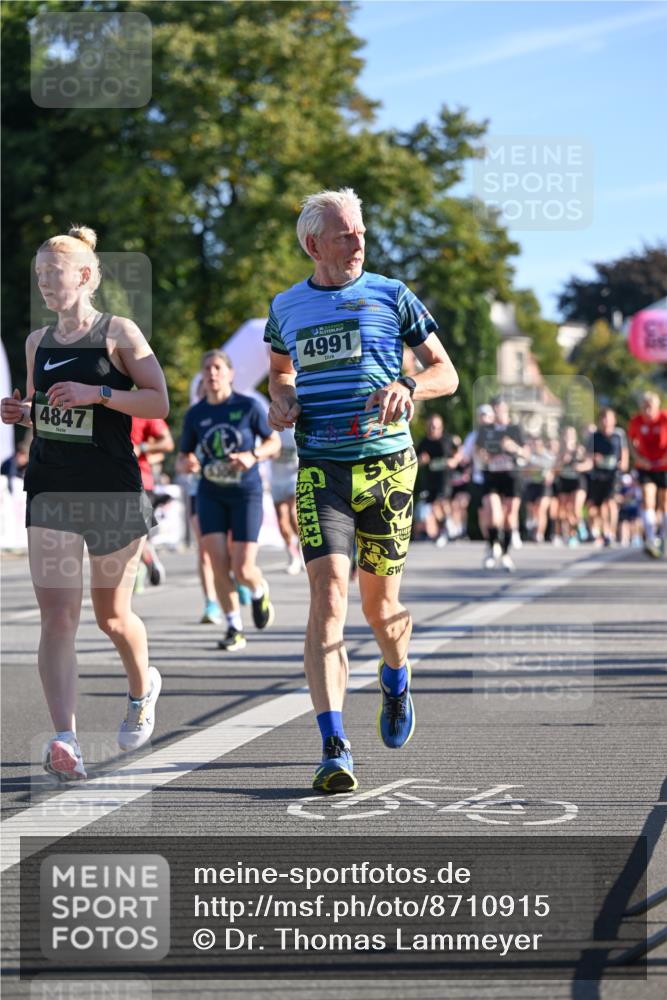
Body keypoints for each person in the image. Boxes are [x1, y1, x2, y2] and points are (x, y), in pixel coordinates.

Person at [264, 187, 458, 793]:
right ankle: (333, 745)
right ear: (313, 244)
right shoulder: (285, 307)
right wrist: (281, 402)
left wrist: (408, 385)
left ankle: (396, 674)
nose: (357, 243)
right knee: (328, 598)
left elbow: (446, 372)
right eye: (344, 234)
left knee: (380, 610)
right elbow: (279, 372)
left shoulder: (392, 294)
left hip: (387, 469)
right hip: (321, 468)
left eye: (361, 233)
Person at [0, 225, 168, 781]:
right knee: (57, 616)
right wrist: (20, 413)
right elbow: (42, 408)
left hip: (111, 488)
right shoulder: (37, 342)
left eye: (55, 273)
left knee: (112, 617)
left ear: (86, 275)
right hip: (51, 485)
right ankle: (65, 738)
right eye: (39, 275)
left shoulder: (119, 332)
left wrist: (99, 393)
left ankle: (142, 689)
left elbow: (158, 402)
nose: (45, 283)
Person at [177, 350, 281, 650]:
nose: (212, 373)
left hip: (245, 493)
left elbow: (273, 442)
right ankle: (234, 627)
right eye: (207, 368)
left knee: (243, 568)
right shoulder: (195, 414)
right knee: (217, 563)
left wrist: (253, 455)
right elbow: (182, 458)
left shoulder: (247, 406)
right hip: (210, 494)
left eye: (218, 368)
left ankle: (258, 590)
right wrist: (187, 464)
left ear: (230, 374)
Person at [475, 397, 529, 572]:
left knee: (510, 516)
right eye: (495, 409)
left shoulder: (515, 429)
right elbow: (478, 451)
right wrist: (485, 456)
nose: (498, 412)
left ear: (506, 410)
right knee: (494, 514)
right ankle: (492, 548)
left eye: (501, 409)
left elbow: (526, 453)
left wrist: (514, 448)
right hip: (492, 475)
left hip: (511, 476)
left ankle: (505, 554)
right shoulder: (486, 430)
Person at [131, 415, 174, 590]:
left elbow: (168, 443)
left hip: (140, 480)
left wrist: (142, 447)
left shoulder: (142, 408)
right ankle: (146, 560)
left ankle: (144, 563)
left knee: (134, 532)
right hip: (106, 480)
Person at [628, 391, 667, 558]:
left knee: (664, 503)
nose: (647, 411)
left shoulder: (664, 418)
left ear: (657, 406)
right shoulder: (636, 421)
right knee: (647, 497)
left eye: (650, 407)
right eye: (644, 407)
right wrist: (638, 457)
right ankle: (651, 539)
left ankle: (663, 537)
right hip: (645, 466)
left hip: (663, 466)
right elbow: (631, 441)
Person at [584, 408, 628, 547]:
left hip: (613, 474)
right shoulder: (594, 436)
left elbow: (624, 452)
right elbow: (587, 455)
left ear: (614, 420)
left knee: (610, 502)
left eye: (608, 418)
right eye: (603, 418)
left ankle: (611, 533)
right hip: (598, 474)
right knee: (599, 506)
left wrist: (623, 464)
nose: (605, 421)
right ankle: (604, 531)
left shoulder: (619, 434)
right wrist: (594, 458)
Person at [415, 413, 460, 547]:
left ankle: (448, 525)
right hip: (430, 479)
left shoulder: (447, 440)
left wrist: (455, 460)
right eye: (431, 426)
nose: (433, 429)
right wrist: (421, 460)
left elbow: (459, 452)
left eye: (436, 427)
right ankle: (445, 527)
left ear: (441, 427)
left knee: (442, 501)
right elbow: (415, 460)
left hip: (444, 477)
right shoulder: (423, 442)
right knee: (434, 506)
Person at [271, 426, 303, 574]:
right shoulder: (271, 428)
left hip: (293, 479)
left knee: (293, 515)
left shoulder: (295, 430)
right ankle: (293, 555)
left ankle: (303, 549)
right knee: (282, 523)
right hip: (276, 481)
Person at [553, 426, 588, 546]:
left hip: (578, 481)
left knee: (576, 508)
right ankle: (573, 535)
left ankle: (581, 524)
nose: (568, 438)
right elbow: (555, 469)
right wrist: (563, 461)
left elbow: (589, 463)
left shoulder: (580, 449)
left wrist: (580, 466)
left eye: (571, 435)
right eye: (566, 435)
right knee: (567, 511)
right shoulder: (560, 452)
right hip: (565, 481)